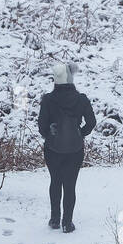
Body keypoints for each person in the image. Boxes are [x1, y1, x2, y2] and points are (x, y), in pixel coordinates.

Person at [37, 62, 95, 233]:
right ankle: (67, 223)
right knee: (70, 186)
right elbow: (91, 122)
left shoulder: (47, 100)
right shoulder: (81, 99)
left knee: (55, 182)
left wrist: (50, 134)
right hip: (74, 150)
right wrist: (80, 132)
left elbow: (41, 127)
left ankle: (55, 219)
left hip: (52, 149)